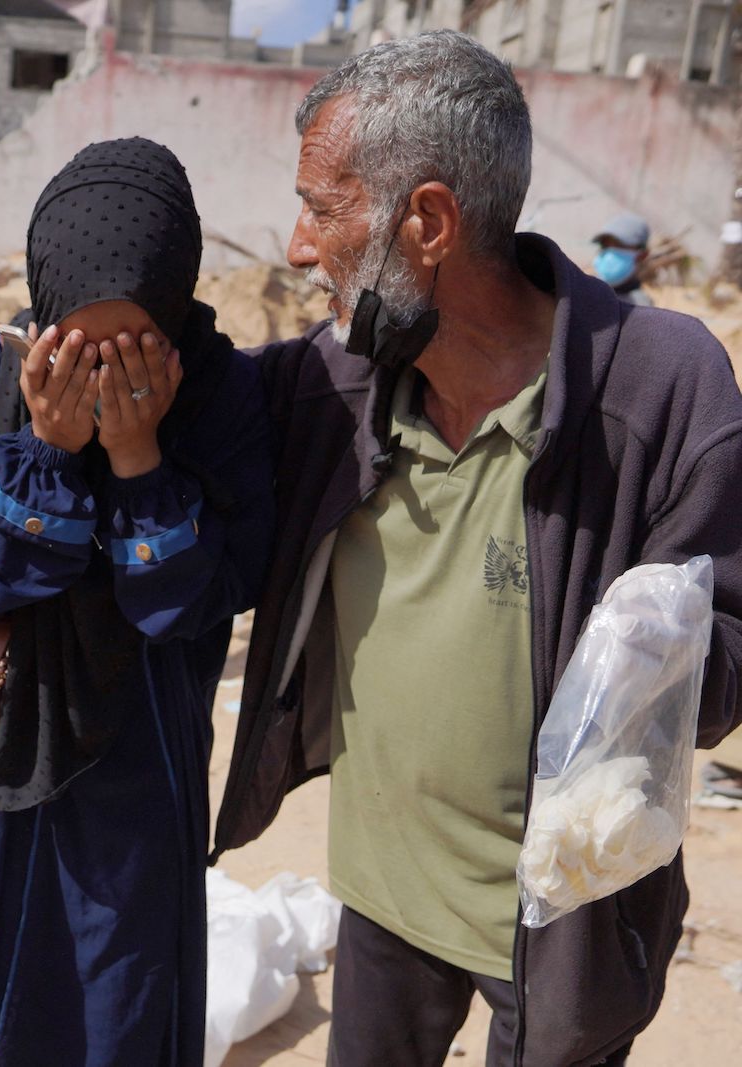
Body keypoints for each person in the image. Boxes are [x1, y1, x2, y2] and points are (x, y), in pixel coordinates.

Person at [211, 31, 742, 1066]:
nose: (297, 245)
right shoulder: (335, 383)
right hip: (379, 903)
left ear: (428, 222)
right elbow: (186, 405)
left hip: (565, 927)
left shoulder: (659, 389)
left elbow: (728, 658)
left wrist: (661, 644)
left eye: (322, 207)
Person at [0, 139, 274, 1066]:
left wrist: (138, 463)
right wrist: (45, 456)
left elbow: (203, 599)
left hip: (141, 768)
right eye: (81, 342)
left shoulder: (220, 396)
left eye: (136, 345)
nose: (105, 371)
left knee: (114, 1006)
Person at [592, 211, 655, 306]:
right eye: (605, 245)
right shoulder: (583, 290)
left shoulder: (640, 307)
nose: (609, 254)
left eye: (620, 245)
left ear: (642, 255)